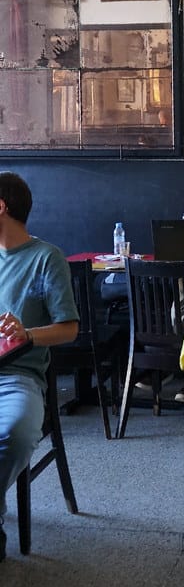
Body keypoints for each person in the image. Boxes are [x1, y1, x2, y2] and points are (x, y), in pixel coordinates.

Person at [0, 172, 79, 562]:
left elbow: (69, 329)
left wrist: (27, 333)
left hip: (20, 377)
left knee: (15, 433)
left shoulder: (47, 258)